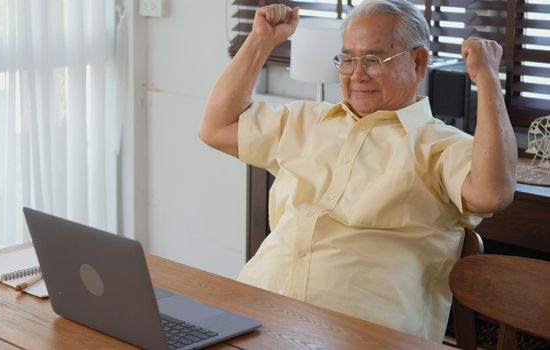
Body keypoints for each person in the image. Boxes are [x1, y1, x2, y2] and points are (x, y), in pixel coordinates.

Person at [199, 0, 517, 342]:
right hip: (253, 315)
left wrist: (486, 79)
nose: (357, 73)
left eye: (374, 60)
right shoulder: (305, 120)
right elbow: (216, 128)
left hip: (361, 336)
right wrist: (260, 41)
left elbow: (492, 194)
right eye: (348, 59)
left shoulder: (439, 146)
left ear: (418, 61)